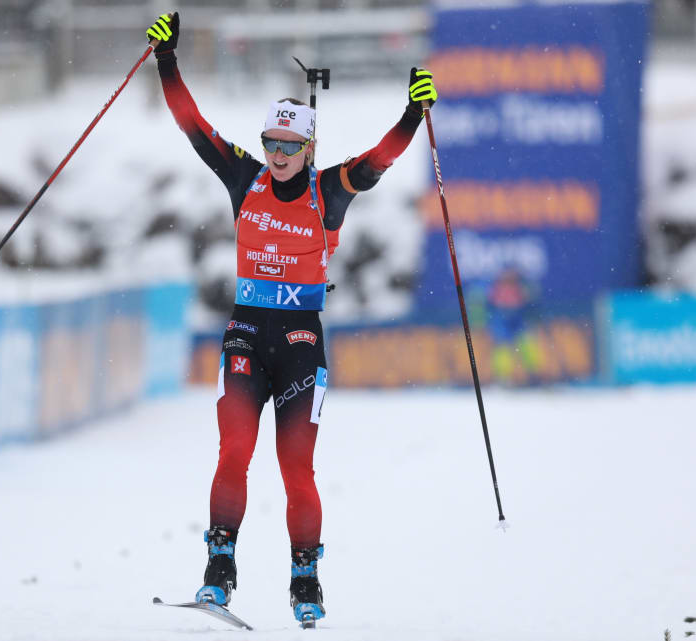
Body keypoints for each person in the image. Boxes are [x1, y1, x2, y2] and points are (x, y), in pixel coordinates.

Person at [146, 12, 437, 625]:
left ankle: (306, 579)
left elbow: (380, 159)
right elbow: (193, 126)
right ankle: (217, 575)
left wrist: (412, 112)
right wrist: (167, 60)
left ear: (308, 147)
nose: (277, 154)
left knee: (296, 469)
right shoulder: (243, 176)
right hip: (247, 331)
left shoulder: (328, 191)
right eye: (271, 142)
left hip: (303, 342)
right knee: (233, 451)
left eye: (289, 145)